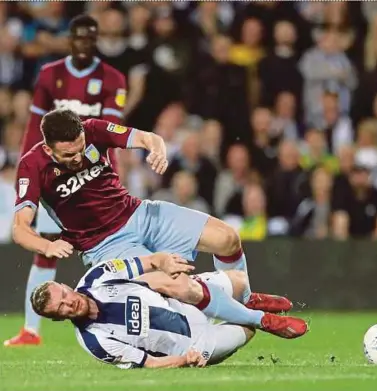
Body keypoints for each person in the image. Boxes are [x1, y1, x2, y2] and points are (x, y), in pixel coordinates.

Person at [8, 109, 294, 346]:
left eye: (80, 150)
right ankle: (256, 319)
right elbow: (20, 228)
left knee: (227, 239)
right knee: (180, 286)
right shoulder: (32, 166)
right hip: (106, 246)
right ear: (48, 148)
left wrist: (158, 150)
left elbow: (147, 138)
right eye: (68, 156)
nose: (78, 159)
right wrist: (47, 245)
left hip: (139, 213)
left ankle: (245, 299)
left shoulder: (93, 129)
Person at [5, 15, 127, 347]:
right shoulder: (49, 75)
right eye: (78, 38)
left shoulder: (113, 79)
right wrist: (26, 175)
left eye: (90, 39)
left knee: (109, 250)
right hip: (54, 180)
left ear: (96, 41)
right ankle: (31, 330)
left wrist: (110, 180)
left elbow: (109, 136)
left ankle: (120, 317)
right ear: (70, 40)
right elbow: (33, 131)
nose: (83, 44)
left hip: (91, 177)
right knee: (44, 248)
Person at [30, 254, 309, 368]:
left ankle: (249, 303)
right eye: (62, 308)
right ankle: (254, 318)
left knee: (239, 280)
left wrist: (166, 262)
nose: (70, 302)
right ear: (58, 318)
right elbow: (148, 363)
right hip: (192, 344)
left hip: (184, 304)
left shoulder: (98, 275)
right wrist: (183, 360)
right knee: (246, 332)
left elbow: (147, 263)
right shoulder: (95, 342)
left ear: (65, 285)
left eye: (64, 295)